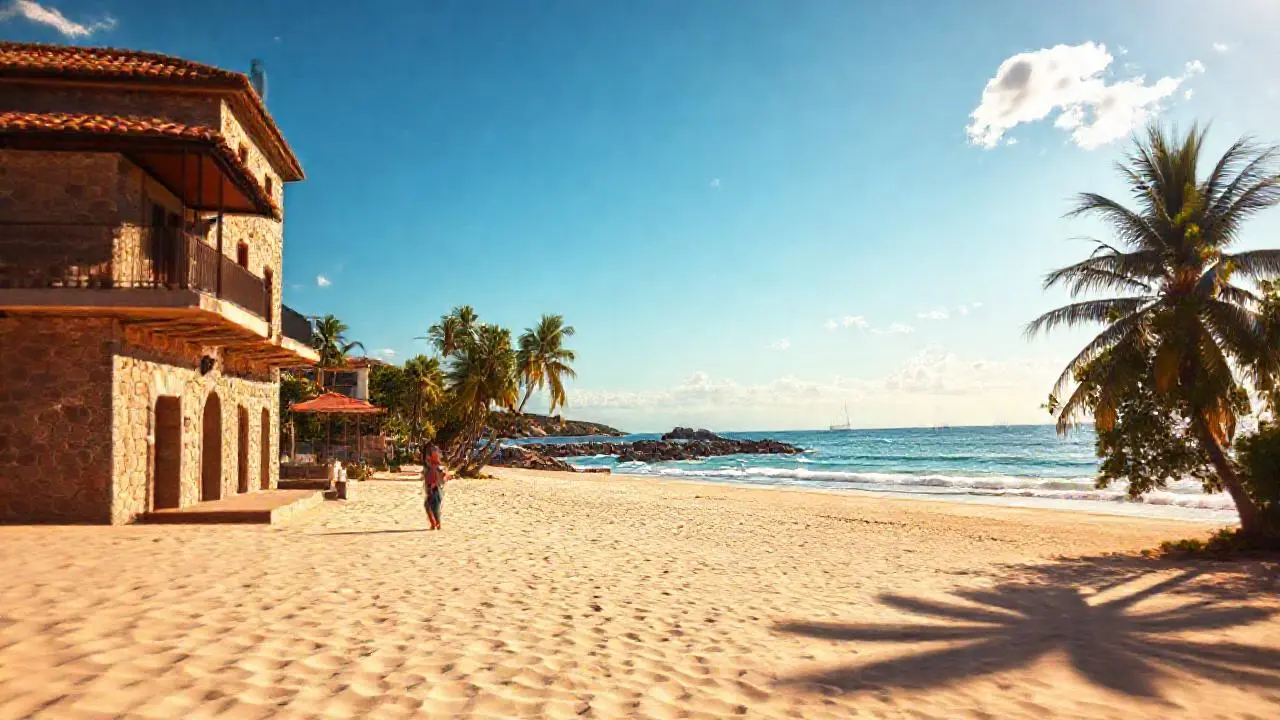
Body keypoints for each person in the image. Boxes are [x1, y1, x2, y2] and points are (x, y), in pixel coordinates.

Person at [423, 446, 448, 530]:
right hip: (429, 489)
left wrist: (442, 478)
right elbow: (426, 476)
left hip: (436, 489)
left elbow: (443, 476)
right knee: (428, 506)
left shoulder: (439, 466)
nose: (428, 457)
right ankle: (434, 523)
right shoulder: (428, 466)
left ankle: (437, 523)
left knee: (434, 507)